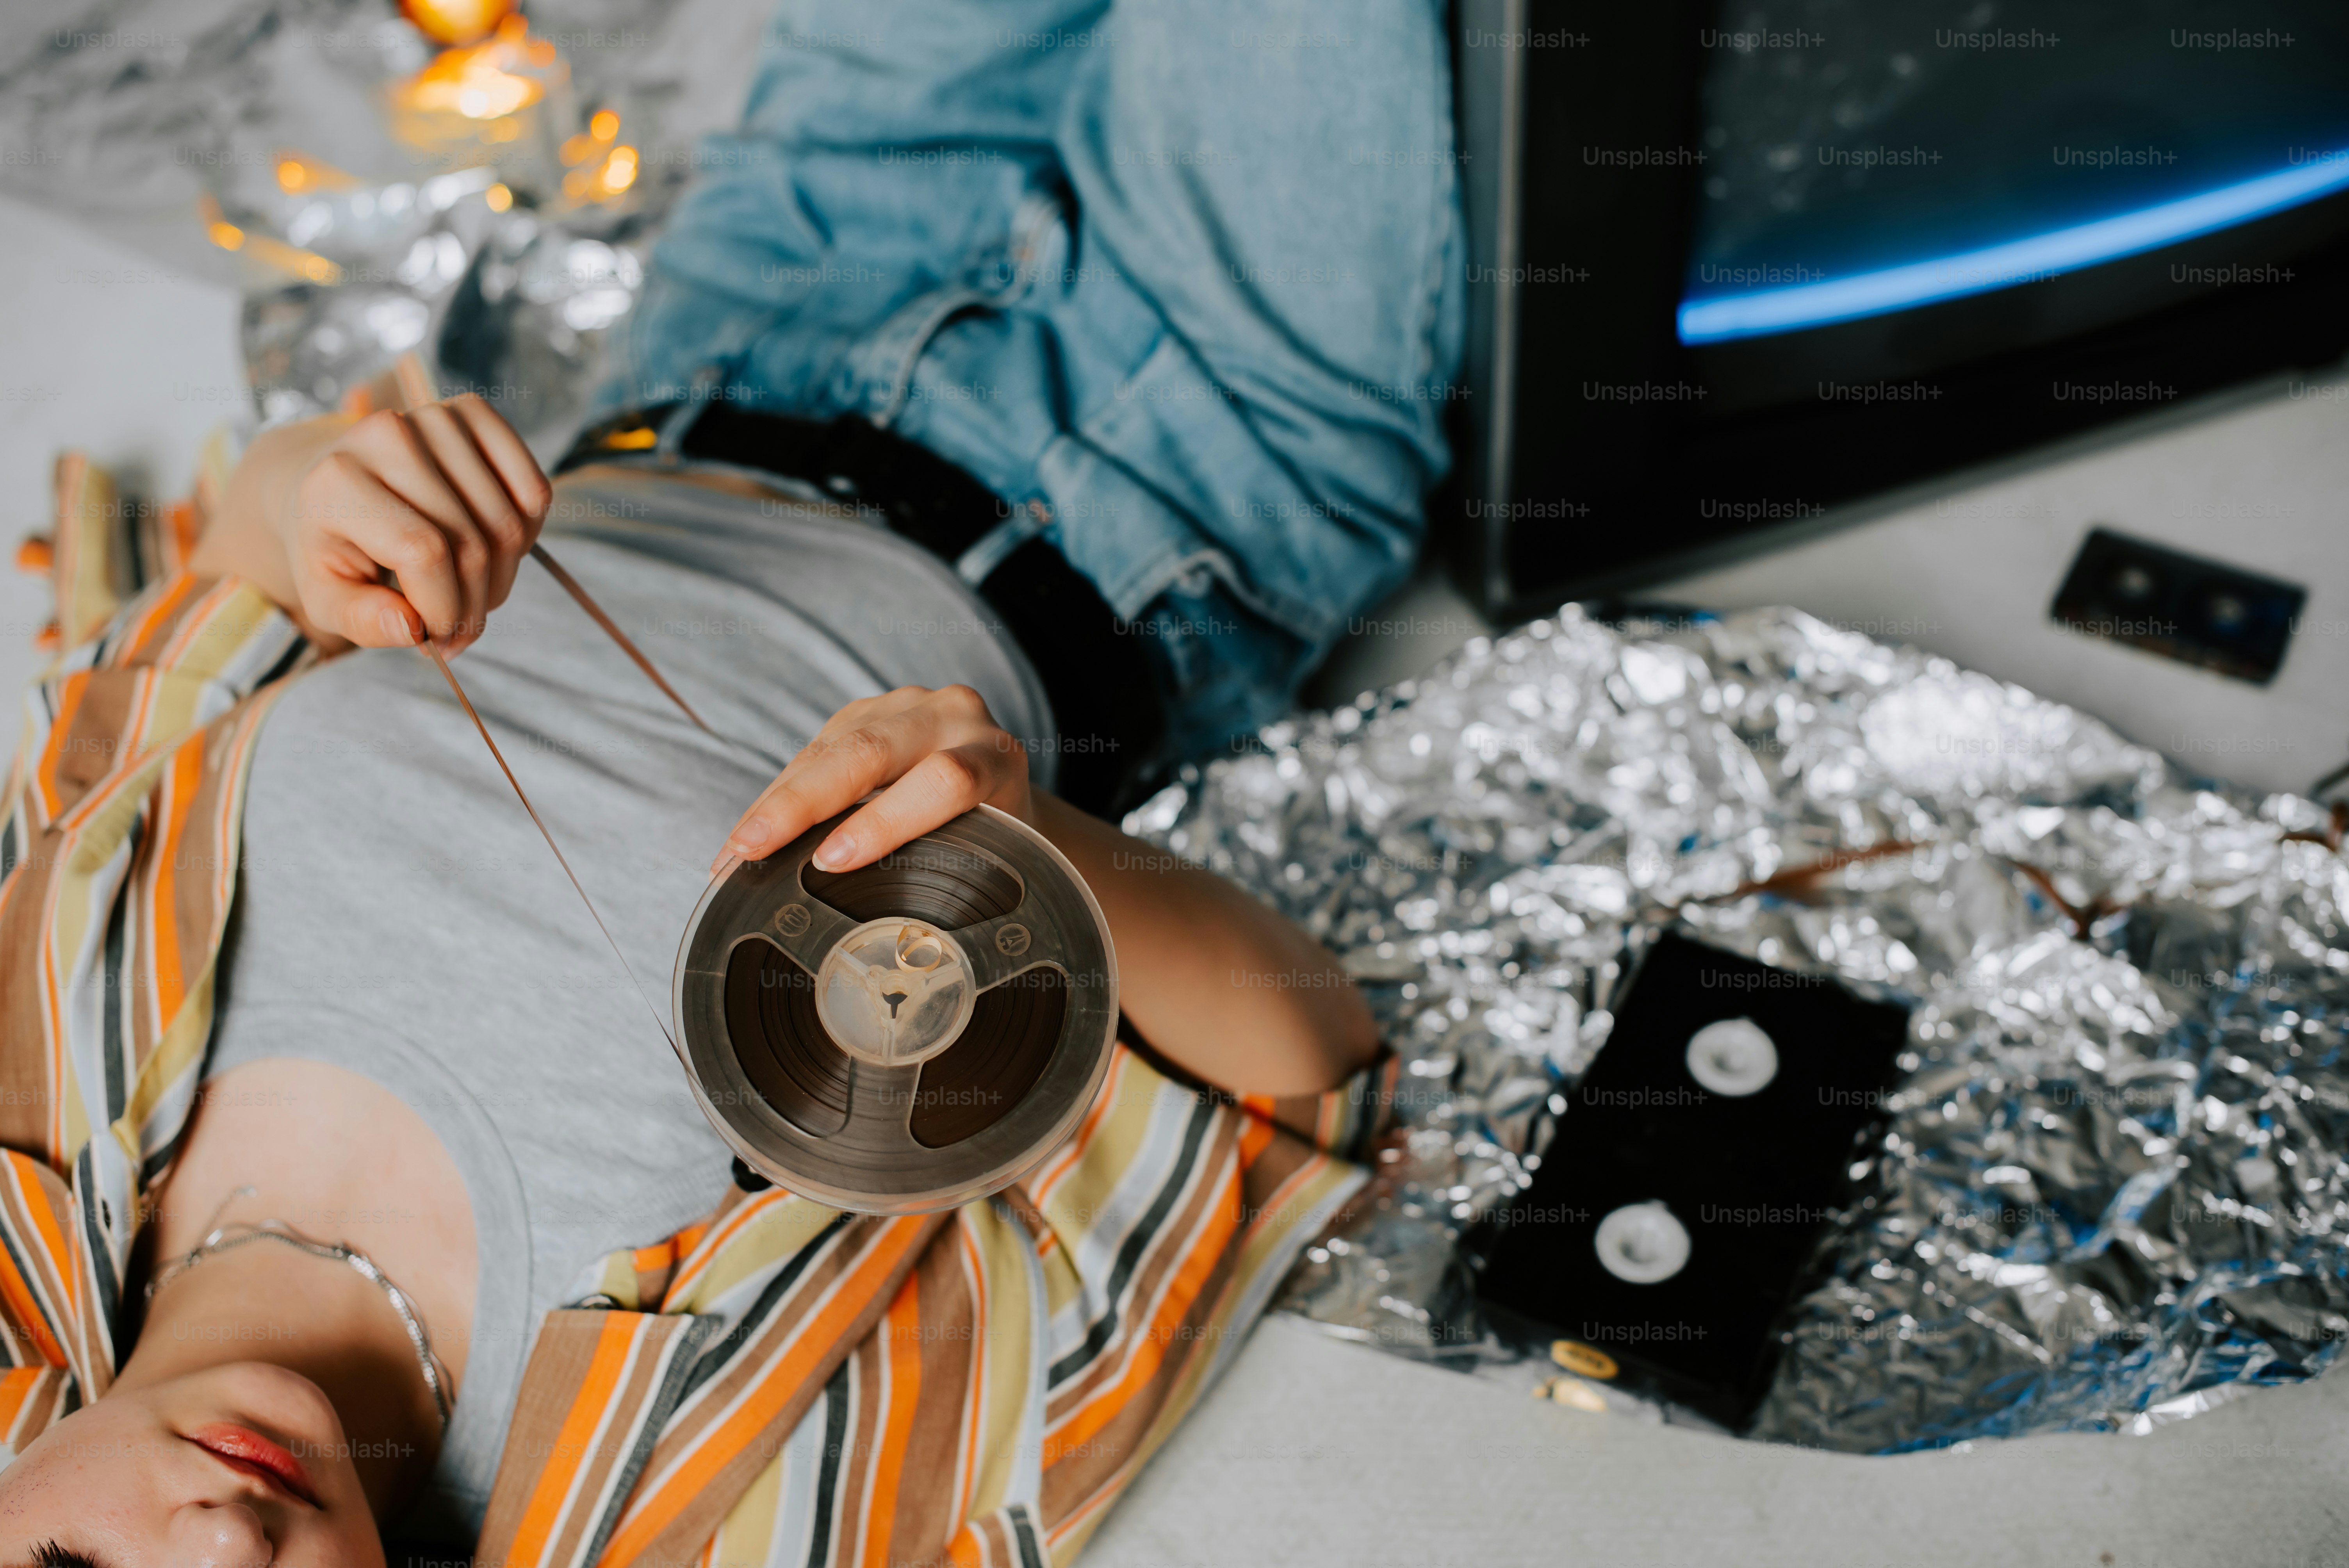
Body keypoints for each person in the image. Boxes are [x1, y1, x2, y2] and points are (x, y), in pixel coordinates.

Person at [0, 388, 1391, 1566]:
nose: (224, 1542)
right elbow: (1301, 1068)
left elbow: (244, 560)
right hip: (1148, 503)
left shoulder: (25, 1131)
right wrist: (1022, 850)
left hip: (729, 334)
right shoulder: (709, 1486)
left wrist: (331, 490)